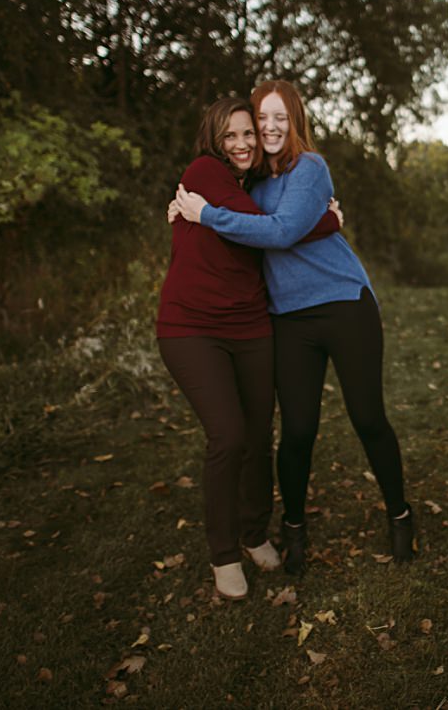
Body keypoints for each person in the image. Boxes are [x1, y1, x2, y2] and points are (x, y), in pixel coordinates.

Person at [173, 80, 414, 575]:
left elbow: (280, 231)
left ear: (296, 121)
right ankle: (294, 528)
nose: (270, 128)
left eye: (280, 118)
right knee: (298, 429)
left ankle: (400, 515)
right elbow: (261, 230)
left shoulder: (311, 168)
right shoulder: (251, 184)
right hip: (287, 316)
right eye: (263, 120)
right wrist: (189, 215)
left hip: (344, 303)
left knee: (368, 418)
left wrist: (206, 214)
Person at [157, 96, 341, 600]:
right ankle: (223, 554)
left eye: (248, 135)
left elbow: (268, 228)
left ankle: (255, 531)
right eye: (230, 136)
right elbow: (274, 227)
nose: (240, 144)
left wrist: (288, 220)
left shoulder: (253, 185)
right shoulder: (203, 173)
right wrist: (324, 219)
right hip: (191, 327)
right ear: (215, 141)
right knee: (229, 435)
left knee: (260, 434)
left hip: (251, 324)